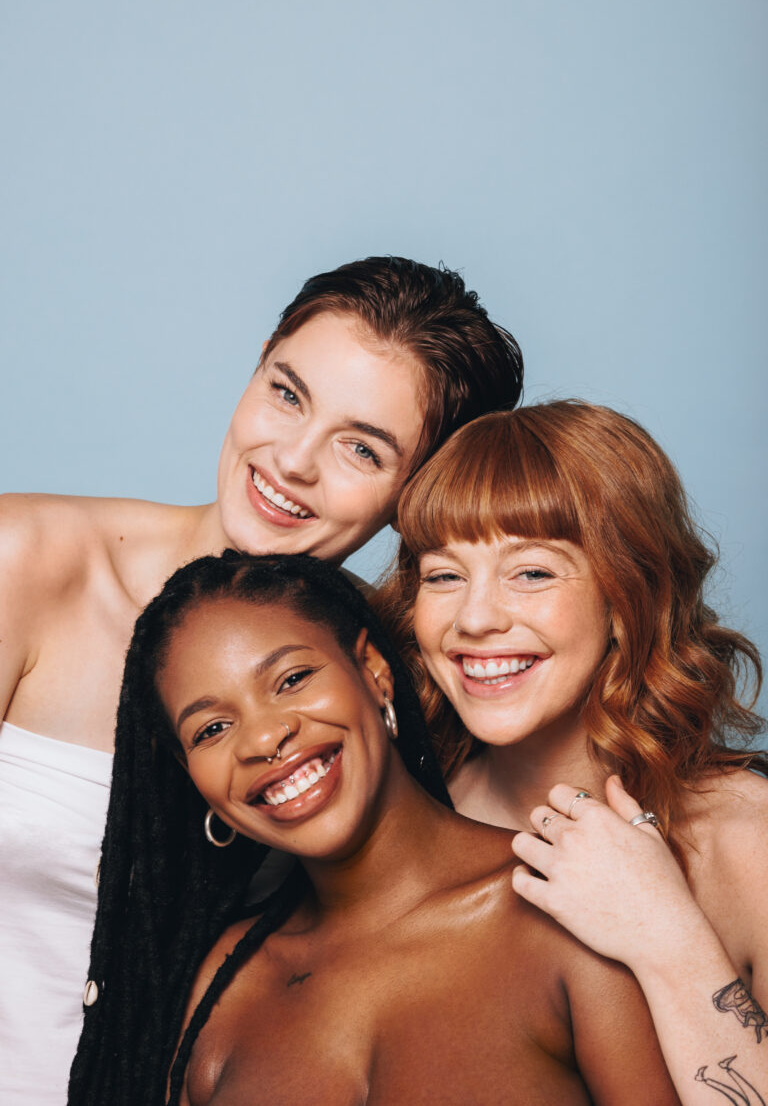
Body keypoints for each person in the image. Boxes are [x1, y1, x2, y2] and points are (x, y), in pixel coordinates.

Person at [0, 255, 524, 1105]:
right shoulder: (23, 563)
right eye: (287, 392)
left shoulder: (386, 681)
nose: (293, 460)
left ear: (415, 492)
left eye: (362, 446)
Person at [70, 551, 678, 1106]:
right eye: (211, 730)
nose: (262, 739)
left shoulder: (568, 910)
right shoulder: (219, 987)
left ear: (373, 670)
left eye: (291, 680)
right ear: (190, 773)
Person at [380, 400, 768, 1106]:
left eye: (531, 573)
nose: (475, 618)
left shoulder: (745, 835)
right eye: (443, 575)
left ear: (627, 598)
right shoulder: (406, 818)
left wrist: (667, 933)